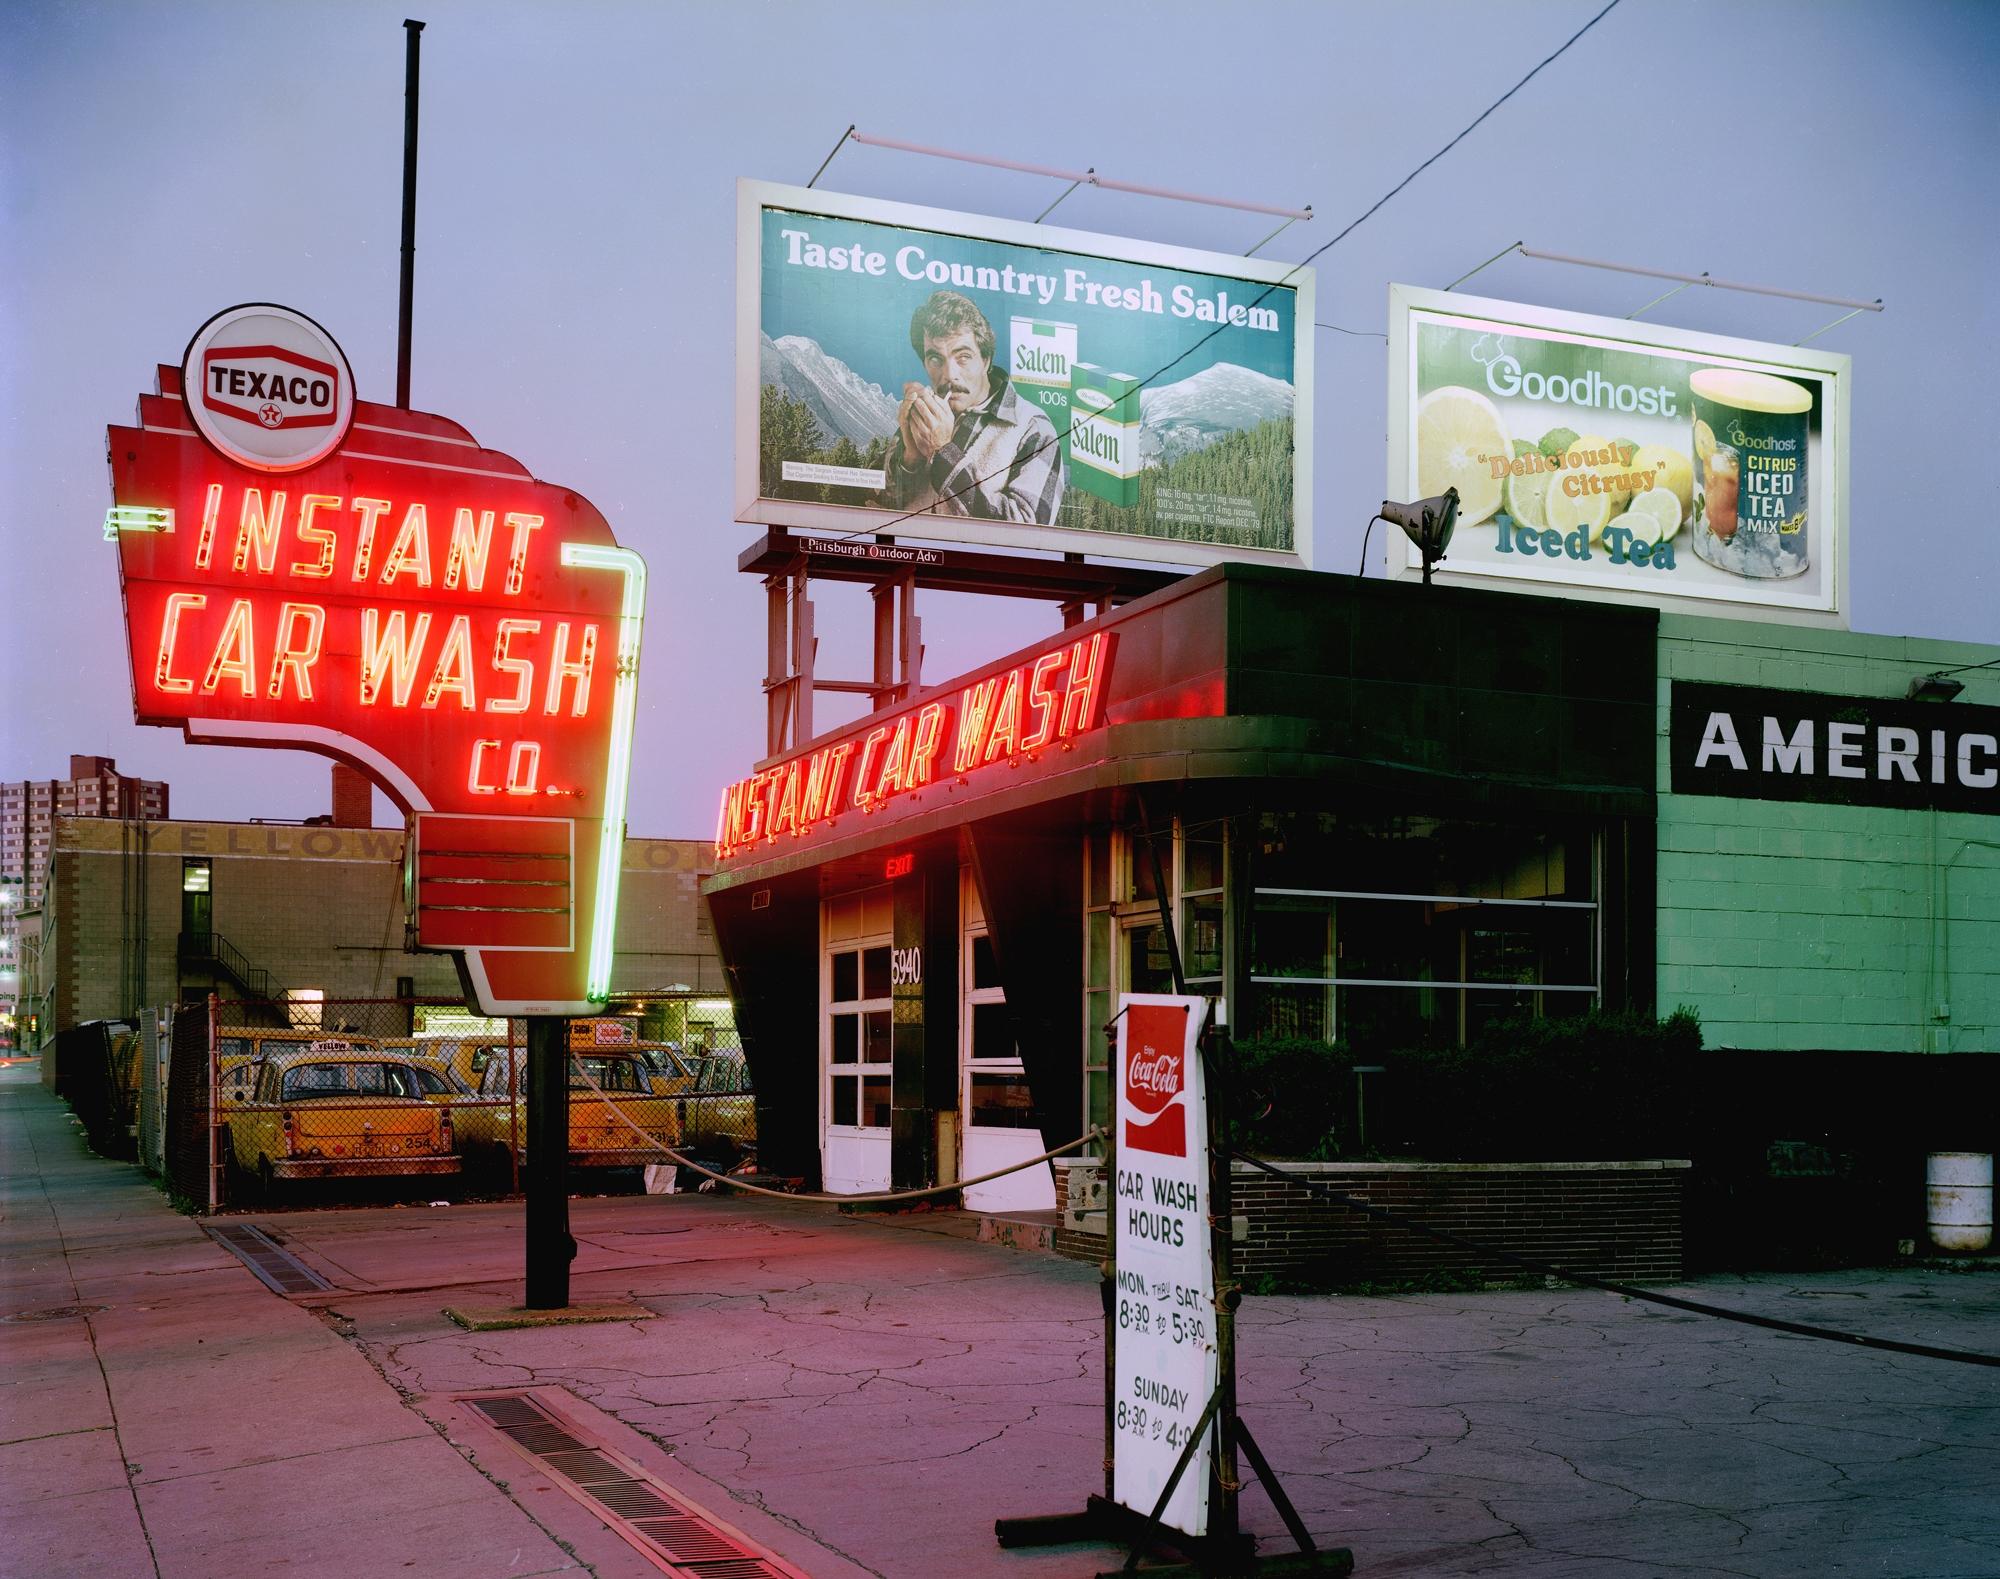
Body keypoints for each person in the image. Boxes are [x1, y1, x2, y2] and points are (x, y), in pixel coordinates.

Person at [883, 290, 1064, 524]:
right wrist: (910, 459)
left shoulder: (1034, 428)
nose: (949, 375)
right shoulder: (925, 416)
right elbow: (875, 509)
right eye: (935, 359)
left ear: (986, 360)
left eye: (963, 356)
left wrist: (943, 452)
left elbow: (1028, 532)